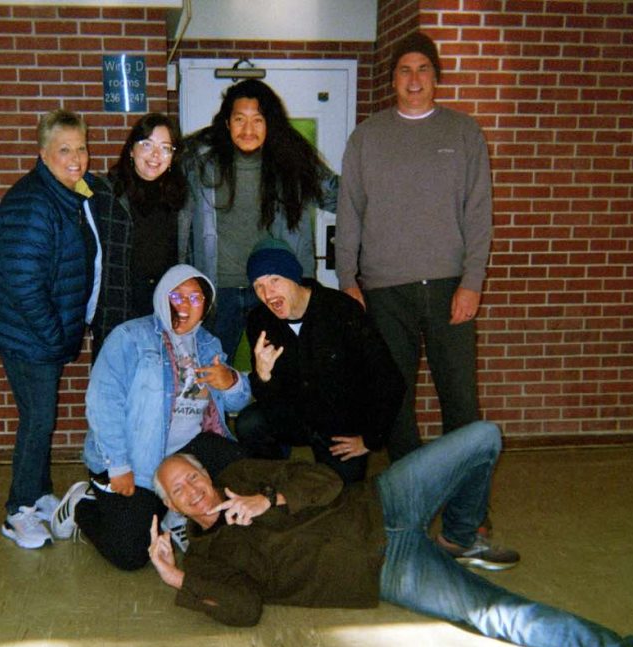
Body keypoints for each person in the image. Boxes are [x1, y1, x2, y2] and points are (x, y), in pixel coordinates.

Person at [148, 422, 633, 647]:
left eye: (191, 476)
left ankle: (460, 534)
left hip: (383, 502)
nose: (192, 489)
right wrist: (178, 580)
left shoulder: (243, 474)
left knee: (484, 436)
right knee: (497, 616)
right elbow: (244, 609)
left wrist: (269, 498)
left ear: (204, 472)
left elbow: (327, 481)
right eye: (178, 490)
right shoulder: (207, 560)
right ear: (173, 505)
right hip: (385, 569)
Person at [335, 32, 491, 457]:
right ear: (392, 81)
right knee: (394, 398)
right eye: (405, 70)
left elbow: (478, 212)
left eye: (423, 69)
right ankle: (409, 497)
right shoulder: (366, 137)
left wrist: (472, 282)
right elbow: (348, 211)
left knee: (460, 398)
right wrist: (347, 279)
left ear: (436, 78)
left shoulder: (463, 132)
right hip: (385, 291)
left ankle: (468, 509)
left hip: (450, 287)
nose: (414, 78)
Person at [50, 264, 252, 570]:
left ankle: (175, 512)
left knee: (242, 470)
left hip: (186, 453)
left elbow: (237, 401)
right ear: (161, 298)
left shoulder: (209, 344)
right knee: (131, 554)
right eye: (176, 296)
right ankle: (84, 503)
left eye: (195, 298)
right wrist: (117, 464)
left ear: (206, 305)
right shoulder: (130, 337)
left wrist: (232, 381)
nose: (185, 306)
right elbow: (103, 404)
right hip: (136, 460)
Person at [0, 109, 101, 550]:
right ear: (43, 153)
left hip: (41, 332)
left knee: (40, 418)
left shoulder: (64, 193)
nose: (77, 158)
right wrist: (54, 338)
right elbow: (24, 285)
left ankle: (40, 492)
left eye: (81, 147)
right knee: (38, 419)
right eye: (64, 149)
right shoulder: (33, 203)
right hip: (28, 334)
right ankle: (19, 510)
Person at [178, 79, 340, 360]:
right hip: (216, 292)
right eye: (239, 119)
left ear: (270, 123)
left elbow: (341, 198)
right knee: (208, 374)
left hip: (276, 290)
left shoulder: (292, 160)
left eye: (257, 120)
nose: (248, 129)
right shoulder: (198, 161)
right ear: (227, 123)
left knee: (285, 373)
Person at [235, 238, 404, 483]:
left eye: (274, 280)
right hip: (296, 417)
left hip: (340, 425)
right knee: (250, 423)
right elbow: (268, 398)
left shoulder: (341, 310)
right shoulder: (260, 321)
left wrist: (370, 439)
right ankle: (277, 481)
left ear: (293, 277)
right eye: (258, 286)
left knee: (339, 502)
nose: (267, 293)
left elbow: (388, 378)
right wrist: (263, 376)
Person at [89, 113, 187, 358]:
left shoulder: (182, 198)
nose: (155, 156)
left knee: (160, 385)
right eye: (147, 144)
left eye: (165, 148)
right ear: (131, 150)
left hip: (164, 309)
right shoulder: (105, 192)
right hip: (116, 307)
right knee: (115, 385)